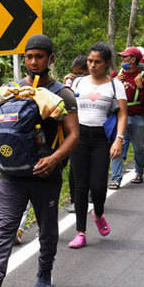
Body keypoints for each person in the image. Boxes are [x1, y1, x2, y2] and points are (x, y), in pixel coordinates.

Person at [0, 34, 80, 287]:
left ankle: (44, 272)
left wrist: (54, 159)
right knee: (6, 225)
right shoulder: (14, 90)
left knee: (47, 229)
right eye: (29, 56)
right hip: (11, 174)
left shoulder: (61, 94)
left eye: (39, 56)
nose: (32, 62)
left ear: (50, 59)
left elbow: (73, 135)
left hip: (45, 175)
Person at [69, 42, 127, 249]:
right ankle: (80, 232)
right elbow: (68, 109)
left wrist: (119, 139)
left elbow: (122, 114)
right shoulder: (78, 83)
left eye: (97, 62)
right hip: (79, 137)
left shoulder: (114, 85)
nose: (92, 65)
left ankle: (99, 213)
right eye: (90, 61)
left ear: (107, 63)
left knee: (99, 185)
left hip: (102, 138)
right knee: (80, 186)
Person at [109, 46, 144, 187]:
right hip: (120, 116)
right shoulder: (117, 74)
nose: (122, 59)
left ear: (133, 60)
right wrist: (114, 82)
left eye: (125, 57)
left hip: (138, 116)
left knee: (138, 147)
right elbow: (107, 95)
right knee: (118, 146)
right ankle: (116, 179)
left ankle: (139, 172)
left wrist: (140, 87)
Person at [64, 55, 89, 213]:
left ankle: (92, 193)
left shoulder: (100, 84)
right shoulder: (74, 84)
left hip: (94, 131)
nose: (77, 76)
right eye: (75, 74)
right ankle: (75, 199)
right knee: (74, 168)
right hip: (76, 129)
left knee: (91, 166)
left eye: (80, 74)